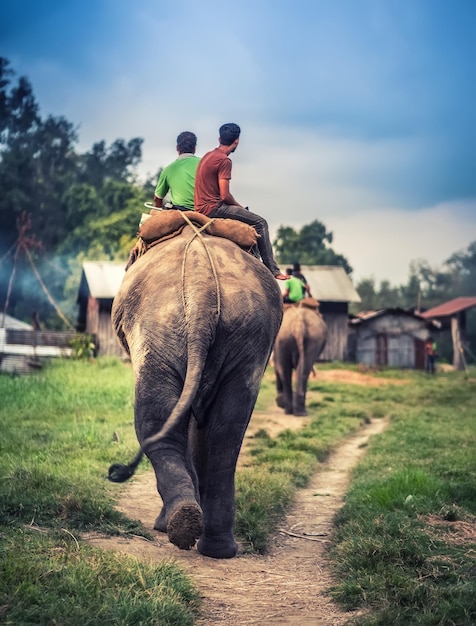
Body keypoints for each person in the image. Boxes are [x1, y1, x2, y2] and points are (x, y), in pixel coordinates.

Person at [194, 123, 287, 280]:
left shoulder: (208, 155)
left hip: (199, 208)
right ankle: (273, 270)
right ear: (236, 141)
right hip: (214, 209)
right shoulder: (224, 161)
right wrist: (241, 208)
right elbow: (225, 196)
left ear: (219, 138)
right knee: (260, 222)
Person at [153, 131, 200, 211]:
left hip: (179, 211)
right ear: (195, 148)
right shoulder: (205, 164)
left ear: (177, 148)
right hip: (203, 211)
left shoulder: (169, 169)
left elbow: (157, 199)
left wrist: (158, 211)